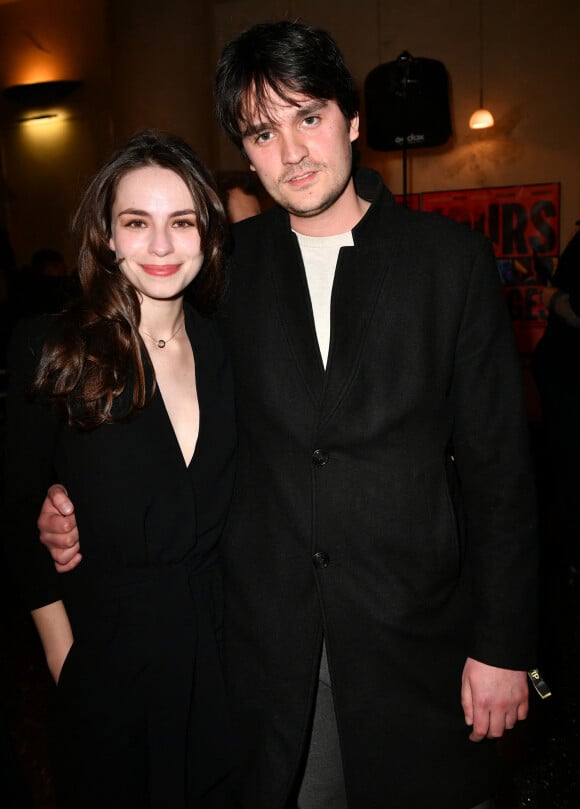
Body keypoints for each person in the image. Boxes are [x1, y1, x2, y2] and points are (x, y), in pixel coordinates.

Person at [37, 21, 538, 809]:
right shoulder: (226, 269)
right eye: (263, 133)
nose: (293, 152)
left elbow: (499, 472)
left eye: (309, 116)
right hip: (268, 651)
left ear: (353, 117)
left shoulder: (449, 263)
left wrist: (504, 645)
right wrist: (67, 497)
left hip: (417, 641)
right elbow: (157, 397)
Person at [5, 130, 236, 809]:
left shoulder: (227, 349)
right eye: (138, 223)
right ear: (107, 235)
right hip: (107, 672)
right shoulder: (55, 348)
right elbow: (17, 510)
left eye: (182, 222)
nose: (161, 247)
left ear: (208, 233)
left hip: (222, 665)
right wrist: (62, 655)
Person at [533, 222, 580, 582]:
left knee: (567, 465)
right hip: (560, 372)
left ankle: (568, 555)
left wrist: (554, 298)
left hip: (567, 374)